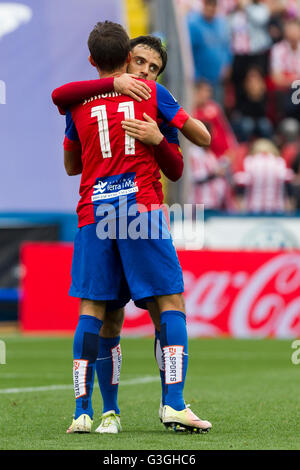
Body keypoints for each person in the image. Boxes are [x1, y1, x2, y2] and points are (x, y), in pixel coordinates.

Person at [53, 21, 212, 435]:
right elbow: (201, 142)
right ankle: (173, 404)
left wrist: (151, 139)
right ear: (126, 58)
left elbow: (71, 166)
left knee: (95, 313)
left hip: (94, 215)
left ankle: (84, 411)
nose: (144, 71)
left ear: (93, 60)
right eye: (139, 62)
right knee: (169, 306)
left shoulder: (76, 103)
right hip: (139, 211)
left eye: (151, 66)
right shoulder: (151, 94)